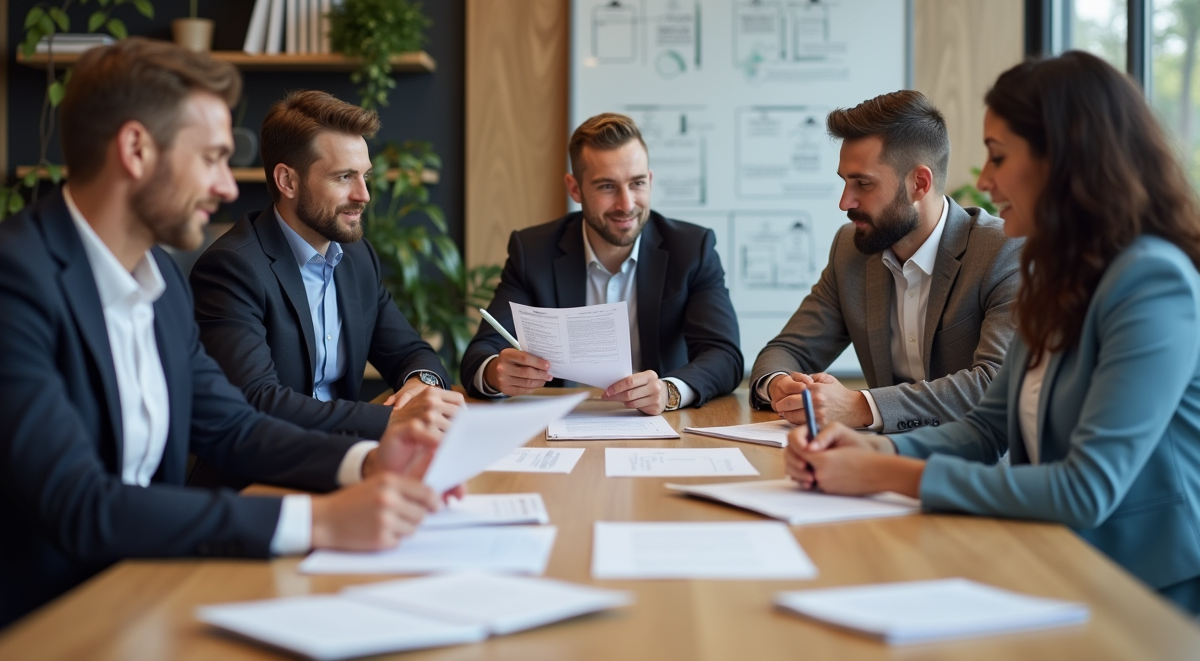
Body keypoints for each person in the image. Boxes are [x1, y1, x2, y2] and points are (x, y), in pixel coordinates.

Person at [0, 39, 451, 628]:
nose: (228, 187)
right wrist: (317, 522)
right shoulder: (16, 282)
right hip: (55, 619)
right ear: (136, 149)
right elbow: (79, 505)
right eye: (212, 157)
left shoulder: (159, 274)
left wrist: (368, 462)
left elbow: (232, 426)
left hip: (154, 586)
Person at [786, 51, 1200, 614]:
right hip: (1053, 560)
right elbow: (986, 429)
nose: (983, 181)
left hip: (1144, 589)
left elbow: (1086, 489)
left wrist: (882, 470)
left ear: (1063, 161)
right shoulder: (1055, 272)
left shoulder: (1152, 280)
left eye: (998, 157)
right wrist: (867, 446)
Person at [189, 91, 461, 483]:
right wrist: (393, 419)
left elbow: (411, 351)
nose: (363, 195)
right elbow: (257, 401)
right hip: (258, 485)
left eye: (364, 176)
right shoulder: (233, 267)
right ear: (287, 181)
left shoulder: (356, 257)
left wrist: (422, 385)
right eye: (343, 177)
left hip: (348, 468)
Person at [751, 91, 1021, 433]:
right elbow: (787, 350)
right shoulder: (851, 249)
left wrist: (861, 406)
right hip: (876, 459)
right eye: (844, 181)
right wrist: (780, 385)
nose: (845, 202)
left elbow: (997, 385)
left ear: (919, 184)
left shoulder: (1004, 251)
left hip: (976, 471)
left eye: (862, 183)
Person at [460, 112, 743, 414]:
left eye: (636, 183)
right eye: (607, 187)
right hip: (558, 426)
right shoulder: (533, 251)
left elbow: (724, 355)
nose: (626, 204)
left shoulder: (691, 249)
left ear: (649, 179)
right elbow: (481, 354)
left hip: (660, 428)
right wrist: (495, 373)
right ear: (575, 189)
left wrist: (669, 390)